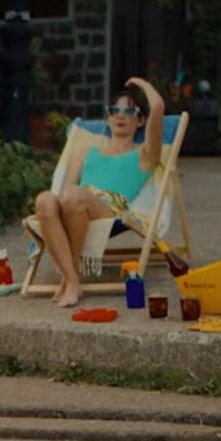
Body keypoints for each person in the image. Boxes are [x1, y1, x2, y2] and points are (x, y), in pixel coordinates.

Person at [33, 77, 165, 308]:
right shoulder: (85, 152)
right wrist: (58, 204)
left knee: (74, 195)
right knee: (44, 200)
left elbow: (158, 107)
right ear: (108, 117)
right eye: (115, 110)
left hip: (108, 210)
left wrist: (141, 84)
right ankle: (72, 278)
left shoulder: (144, 156)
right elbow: (65, 191)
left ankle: (70, 278)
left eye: (129, 110)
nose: (121, 115)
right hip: (74, 204)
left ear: (141, 120)